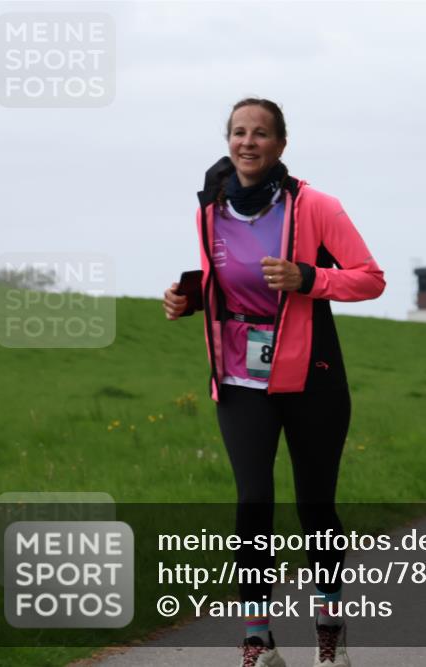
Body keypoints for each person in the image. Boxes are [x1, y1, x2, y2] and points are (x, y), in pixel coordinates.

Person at [163, 98, 385, 667]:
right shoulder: (208, 210)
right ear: (228, 140)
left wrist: (308, 277)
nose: (247, 142)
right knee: (253, 501)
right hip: (239, 376)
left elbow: (370, 279)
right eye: (238, 132)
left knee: (315, 507)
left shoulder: (315, 207)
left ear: (281, 145)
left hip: (312, 376)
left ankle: (329, 625)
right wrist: (189, 300)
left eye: (260, 134)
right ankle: (258, 637)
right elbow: (224, 282)